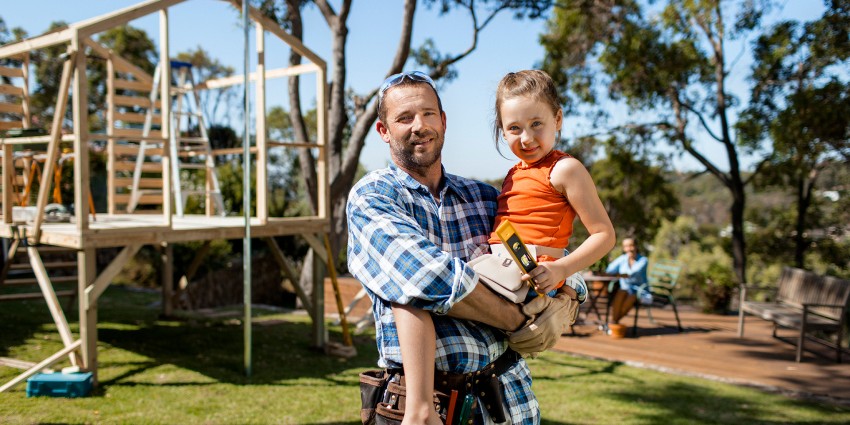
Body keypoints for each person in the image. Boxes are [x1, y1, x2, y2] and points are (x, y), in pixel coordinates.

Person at [347, 71, 577, 425]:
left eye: (428, 114)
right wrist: (520, 320)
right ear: (384, 131)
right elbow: (428, 279)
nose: (419, 126)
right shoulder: (374, 196)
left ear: (443, 121)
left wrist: (566, 300)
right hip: (424, 405)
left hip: (509, 397)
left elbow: (546, 256)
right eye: (404, 118)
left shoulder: (487, 199)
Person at [605, 238, 649, 325]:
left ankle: (613, 322)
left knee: (632, 296)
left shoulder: (643, 260)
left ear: (636, 247)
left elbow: (631, 274)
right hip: (625, 289)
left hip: (639, 291)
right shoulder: (622, 259)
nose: (629, 248)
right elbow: (609, 270)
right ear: (624, 248)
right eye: (626, 246)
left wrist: (617, 275)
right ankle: (614, 323)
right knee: (621, 292)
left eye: (631, 245)